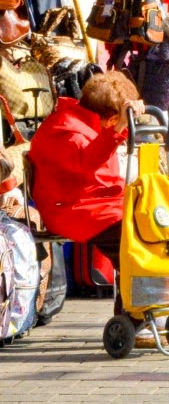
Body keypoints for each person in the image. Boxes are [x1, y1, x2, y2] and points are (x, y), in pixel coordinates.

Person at [28, 70, 145, 267]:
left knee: (153, 222)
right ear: (112, 119)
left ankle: (136, 292)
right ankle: (137, 293)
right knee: (136, 244)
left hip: (98, 204)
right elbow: (89, 162)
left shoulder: (78, 120)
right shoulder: (68, 132)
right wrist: (119, 129)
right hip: (73, 210)